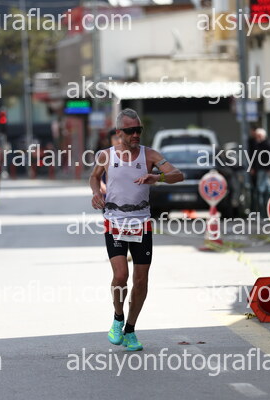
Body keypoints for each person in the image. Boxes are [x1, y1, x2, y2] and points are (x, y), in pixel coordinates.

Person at [89, 108, 184, 351]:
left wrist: (158, 178)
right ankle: (118, 318)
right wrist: (96, 192)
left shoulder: (149, 154)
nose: (135, 135)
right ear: (119, 132)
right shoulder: (106, 155)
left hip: (141, 223)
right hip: (115, 221)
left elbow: (177, 175)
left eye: (138, 130)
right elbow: (94, 177)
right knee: (121, 275)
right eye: (130, 131)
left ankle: (130, 329)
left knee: (141, 280)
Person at [250, 128, 270, 216]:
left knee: (262, 188)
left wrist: (268, 168)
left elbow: (269, 157)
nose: (257, 137)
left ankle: (264, 210)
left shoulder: (266, 144)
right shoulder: (257, 144)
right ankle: (264, 209)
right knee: (265, 187)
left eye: (258, 136)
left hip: (263, 169)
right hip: (260, 168)